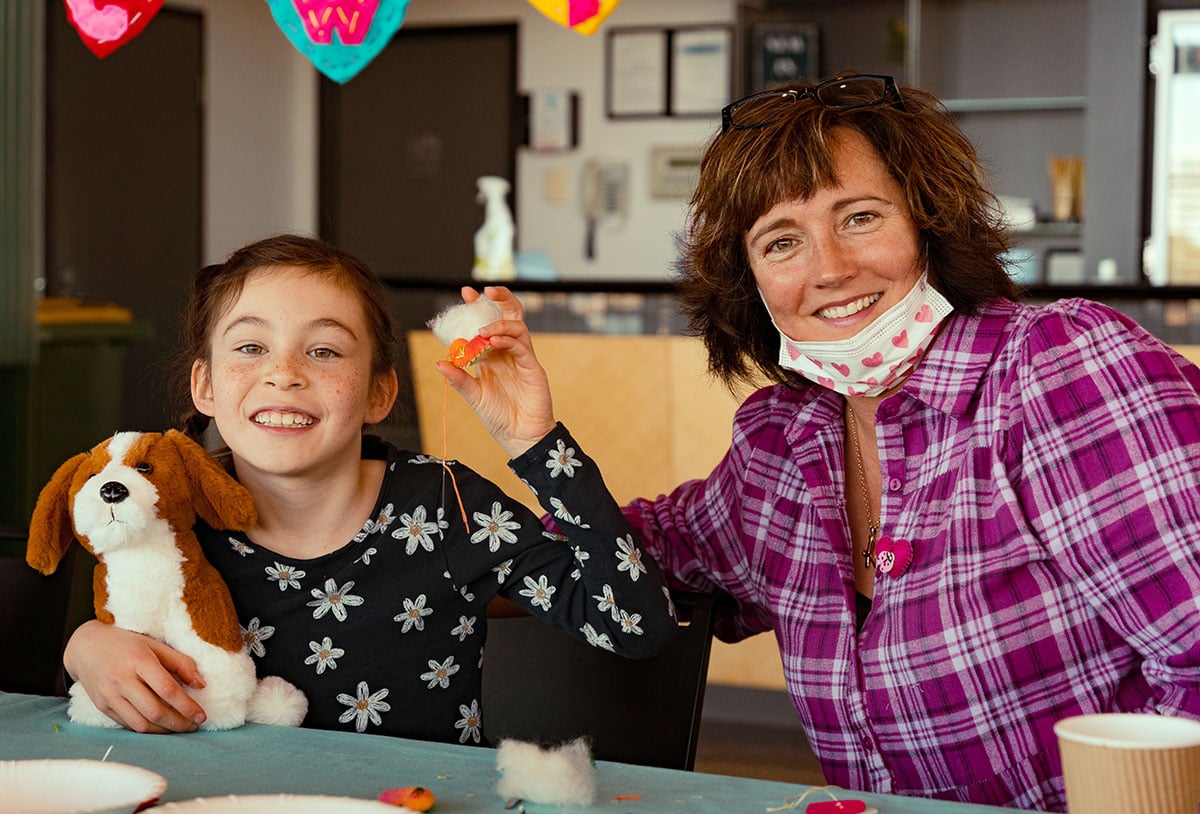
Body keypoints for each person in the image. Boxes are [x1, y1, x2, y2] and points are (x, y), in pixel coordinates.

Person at [446, 75, 1200, 811]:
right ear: (750, 281)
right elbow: (638, 557)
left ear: (930, 224)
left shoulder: (1061, 367)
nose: (831, 269)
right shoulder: (783, 441)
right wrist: (530, 442)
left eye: (861, 217)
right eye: (782, 242)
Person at [61, 234, 675, 743]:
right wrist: (85, 647)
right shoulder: (165, 512)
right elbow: (117, 653)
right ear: (206, 387)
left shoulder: (447, 506)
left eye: (325, 351)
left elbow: (638, 626)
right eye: (251, 347)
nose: (284, 373)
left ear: (380, 393)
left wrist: (533, 441)